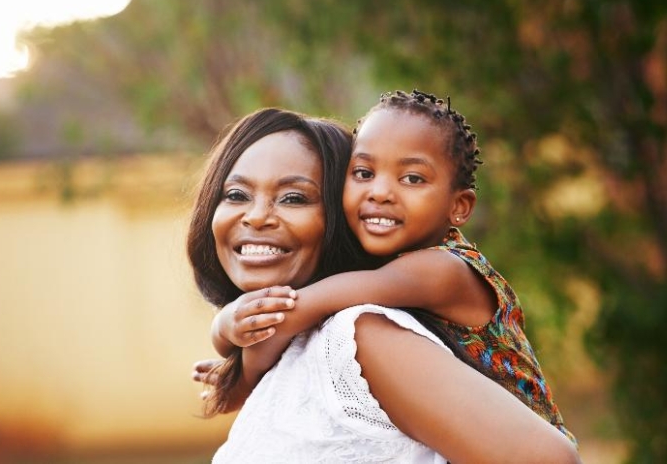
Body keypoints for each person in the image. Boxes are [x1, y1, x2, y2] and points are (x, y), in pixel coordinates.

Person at [188, 107, 580, 462]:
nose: (379, 192)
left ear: (459, 205)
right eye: (364, 173)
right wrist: (233, 346)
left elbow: (291, 311)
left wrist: (227, 333)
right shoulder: (344, 325)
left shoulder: (429, 277)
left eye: (293, 198)